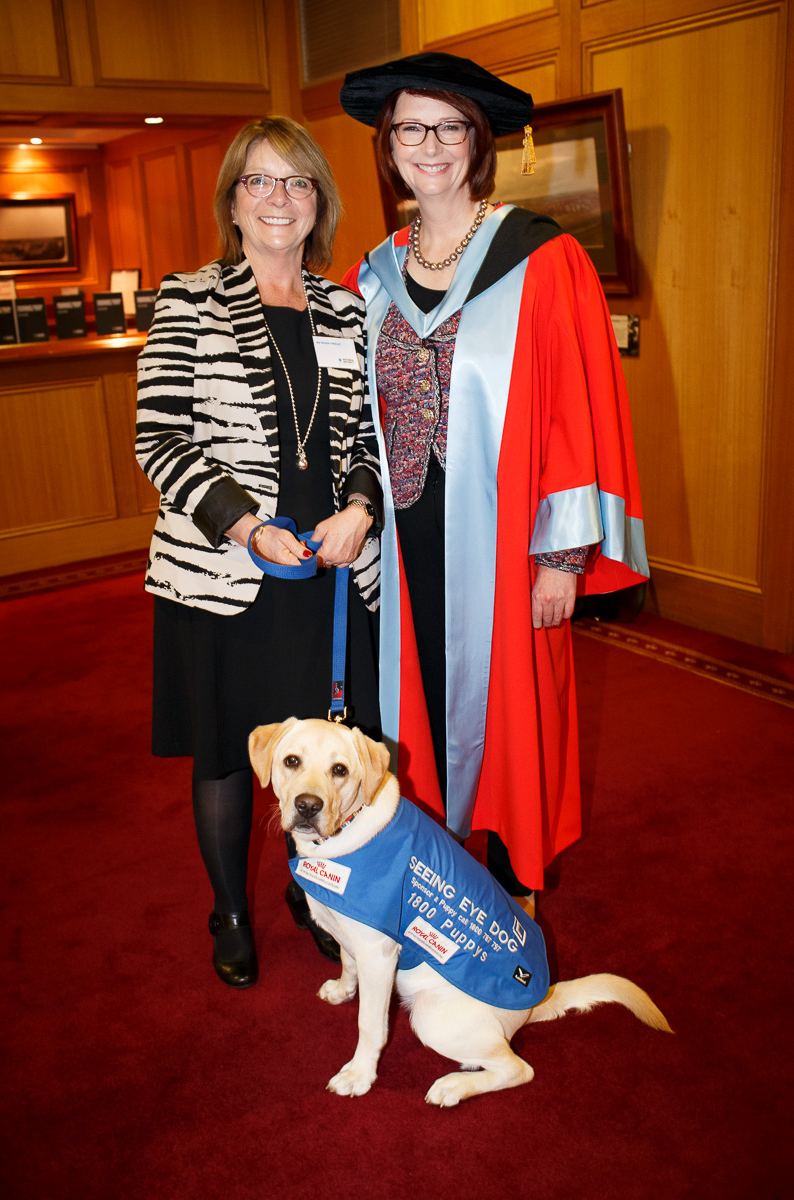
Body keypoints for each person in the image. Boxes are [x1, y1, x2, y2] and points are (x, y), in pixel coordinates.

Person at [339, 53, 649, 912]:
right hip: (406, 535)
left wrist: (564, 555)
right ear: (388, 144)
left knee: (517, 711)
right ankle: (434, 872)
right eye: (410, 127)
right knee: (417, 705)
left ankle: (514, 887)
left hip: (510, 534)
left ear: (479, 143)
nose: (428, 145)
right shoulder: (374, 272)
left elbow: (578, 414)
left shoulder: (541, 258)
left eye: (449, 127)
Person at [136, 117, 382, 988]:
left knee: (318, 750)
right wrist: (246, 525)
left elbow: (364, 438)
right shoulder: (188, 298)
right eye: (260, 182)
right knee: (230, 754)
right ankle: (230, 910)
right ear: (232, 202)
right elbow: (160, 440)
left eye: (298, 183)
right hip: (224, 574)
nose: (279, 198)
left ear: (319, 203)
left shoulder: (347, 309)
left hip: (325, 574)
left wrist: (358, 507)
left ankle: (309, 895)